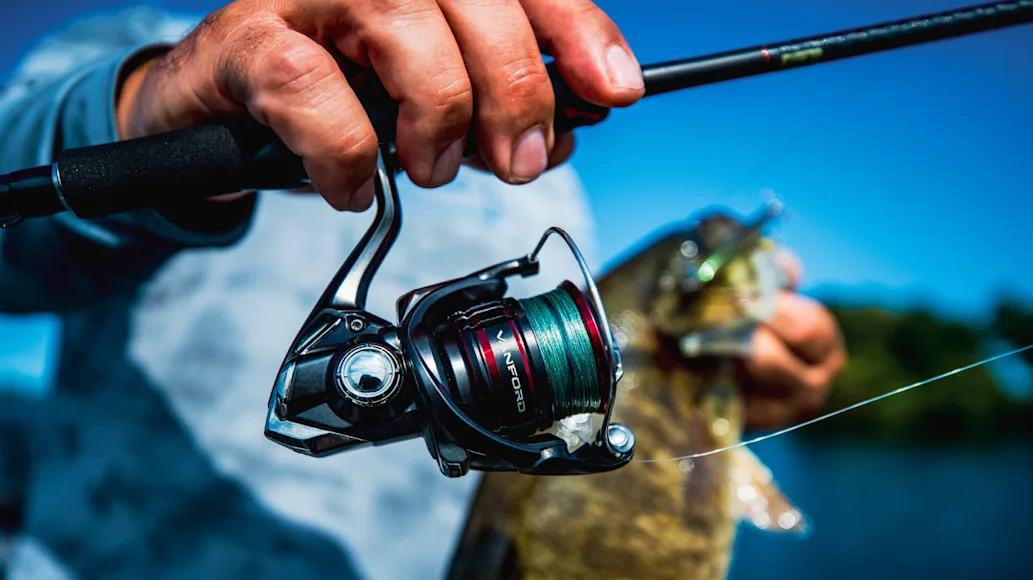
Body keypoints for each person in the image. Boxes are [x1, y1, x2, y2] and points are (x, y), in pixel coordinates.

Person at [0, 2, 845, 579]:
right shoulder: (140, 38)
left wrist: (727, 398)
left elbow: (560, 415)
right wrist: (158, 101)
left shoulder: (543, 167)